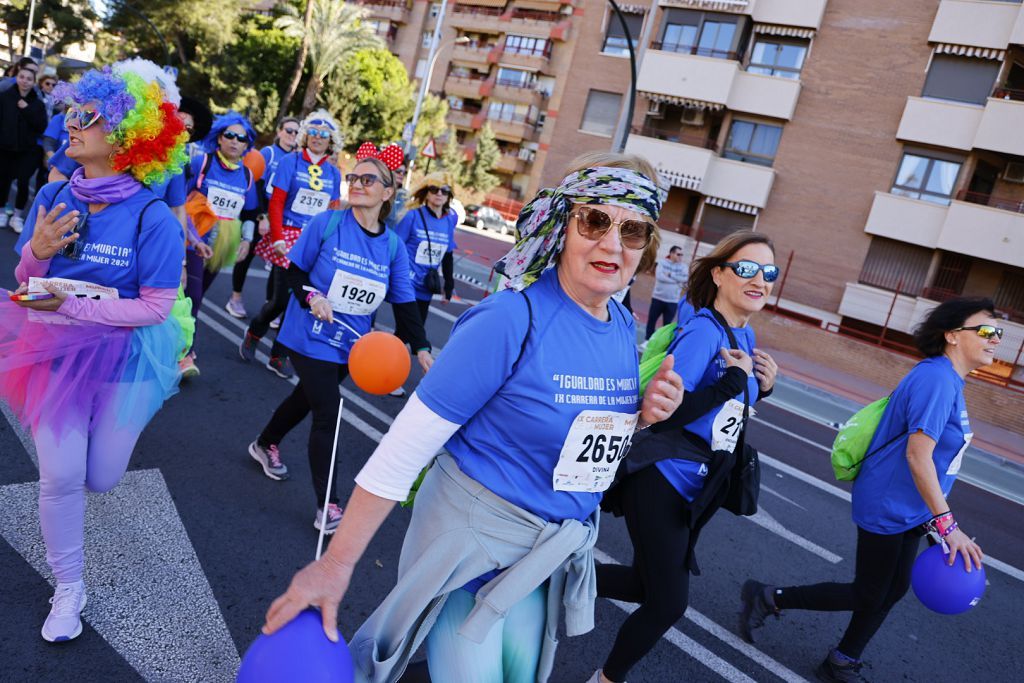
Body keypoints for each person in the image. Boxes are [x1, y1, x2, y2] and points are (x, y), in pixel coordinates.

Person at [261, 152, 684, 683]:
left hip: (541, 560)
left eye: (634, 229)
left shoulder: (622, 325)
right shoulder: (510, 319)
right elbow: (405, 447)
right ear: (561, 223)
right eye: (596, 220)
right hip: (470, 549)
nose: (612, 243)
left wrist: (642, 417)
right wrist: (336, 564)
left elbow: (585, 447)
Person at [0, 60, 188, 642]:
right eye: (72, 112)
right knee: (60, 477)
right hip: (53, 354)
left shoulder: (154, 217)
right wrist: (35, 248)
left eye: (88, 116)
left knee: (101, 478)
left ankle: (97, 451)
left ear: (127, 136)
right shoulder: (55, 193)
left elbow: (157, 306)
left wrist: (74, 306)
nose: (71, 122)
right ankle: (69, 588)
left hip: (127, 358)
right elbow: (27, 277)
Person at [739, 297, 994, 683]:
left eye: (999, 333)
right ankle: (769, 596)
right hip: (888, 502)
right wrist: (947, 525)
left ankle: (843, 658)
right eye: (987, 331)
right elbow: (918, 455)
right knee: (869, 593)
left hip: (913, 506)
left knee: (893, 589)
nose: (996, 339)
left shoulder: (949, 381)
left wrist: (931, 516)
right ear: (953, 335)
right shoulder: (937, 380)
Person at [591, 230, 779, 683]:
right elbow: (664, 416)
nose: (760, 280)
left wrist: (763, 388)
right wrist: (731, 384)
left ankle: (549, 578)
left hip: (697, 481)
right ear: (718, 274)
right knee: (668, 603)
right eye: (747, 269)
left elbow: (728, 410)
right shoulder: (701, 333)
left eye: (768, 272)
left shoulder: (745, 334)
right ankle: (605, 678)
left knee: (643, 584)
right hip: (662, 475)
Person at [245, 152, 433, 534]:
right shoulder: (327, 224)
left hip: (352, 344)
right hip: (307, 334)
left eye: (368, 180)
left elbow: (404, 302)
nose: (358, 184)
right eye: (354, 178)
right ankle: (327, 504)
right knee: (328, 409)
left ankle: (265, 442)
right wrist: (313, 296)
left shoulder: (393, 247)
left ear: (388, 192)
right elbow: (295, 272)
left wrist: (423, 347)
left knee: (306, 399)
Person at [240, 110, 344, 379]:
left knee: (301, 303)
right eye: (314, 133)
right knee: (279, 299)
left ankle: (278, 355)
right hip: (288, 237)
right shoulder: (290, 162)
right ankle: (254, 332)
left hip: (317, 243)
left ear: (331, 141)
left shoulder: (334, 173)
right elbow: (276, 203)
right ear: (305, 135)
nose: (318, 138)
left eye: (324, 135)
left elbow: (333, 211)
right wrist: (276, 237)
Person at [181, 111, 261, 377]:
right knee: (192, 296)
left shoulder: (247, 176)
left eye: (242, 138)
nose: (235, 141)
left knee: (198, 294)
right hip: (192, 240)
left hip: (222, 244)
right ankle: (185, 352)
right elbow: (178, 199)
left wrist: (247, 241)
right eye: (230, 135)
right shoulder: (201, 162)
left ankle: (176, 343)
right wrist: (188, 235)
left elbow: (249, 213)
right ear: (218, 138)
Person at [224, 116, 300, 317]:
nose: (292, 135)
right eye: (288, 130)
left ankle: (270, 306)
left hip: (280, 217)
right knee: (247, 255)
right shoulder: (269, 153)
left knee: (277, 261)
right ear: (279, 131)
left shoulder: (297, 159)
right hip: (261, 210)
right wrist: (262, 216)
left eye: (296, 132)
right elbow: (255, 183)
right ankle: (235, 298)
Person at [394, 169, 459, 324]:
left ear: (449, 196)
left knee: (408, 333)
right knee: (412, 331)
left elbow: (448, 255)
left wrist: (448, 286)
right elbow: (395, 248)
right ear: (427, 193)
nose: (439, 194)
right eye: (434, 189)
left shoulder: (449, 221)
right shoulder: (412, 215)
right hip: (406, 284)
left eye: (444, 191)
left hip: (427, 287)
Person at [0, 63, 47, 234]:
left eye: (29, 79)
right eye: (22, 77)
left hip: (28, 150)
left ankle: (17, 216)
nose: (25, 81)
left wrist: (26, 109)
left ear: (34, 82)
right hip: (4, 148)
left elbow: (42, 126)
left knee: (23, 182)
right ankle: (2, 212)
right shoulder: (4, 96)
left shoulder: (38, 103)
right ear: (17, 77)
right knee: (3, 181)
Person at [645, 245, 687, 339]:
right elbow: (660, 277)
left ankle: (660, 344)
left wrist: (670, 274)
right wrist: (677, 281)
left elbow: (685, 279)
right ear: (671, 253)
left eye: (682, 255)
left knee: (666, 325)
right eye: (678, 254)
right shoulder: (662, 263)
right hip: (658, 298)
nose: (680, 256)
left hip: (672, 301)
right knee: (652, 320)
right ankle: (648, 340)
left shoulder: (684, 267)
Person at [384, 160, 408, 229]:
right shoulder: (381, 191)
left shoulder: (405, 195)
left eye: (404, 173)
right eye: (398, 171)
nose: (401, 174)